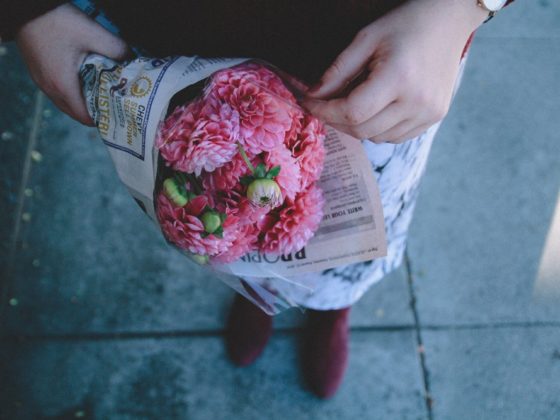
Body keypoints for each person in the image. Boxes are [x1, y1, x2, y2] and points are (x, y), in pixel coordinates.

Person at [1, 0, 513, 399]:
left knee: (361, 215)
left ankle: (332, 305)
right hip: (179, 39)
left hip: (374, 49)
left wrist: (461, 8)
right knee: (216, 211)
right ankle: (263, 290)